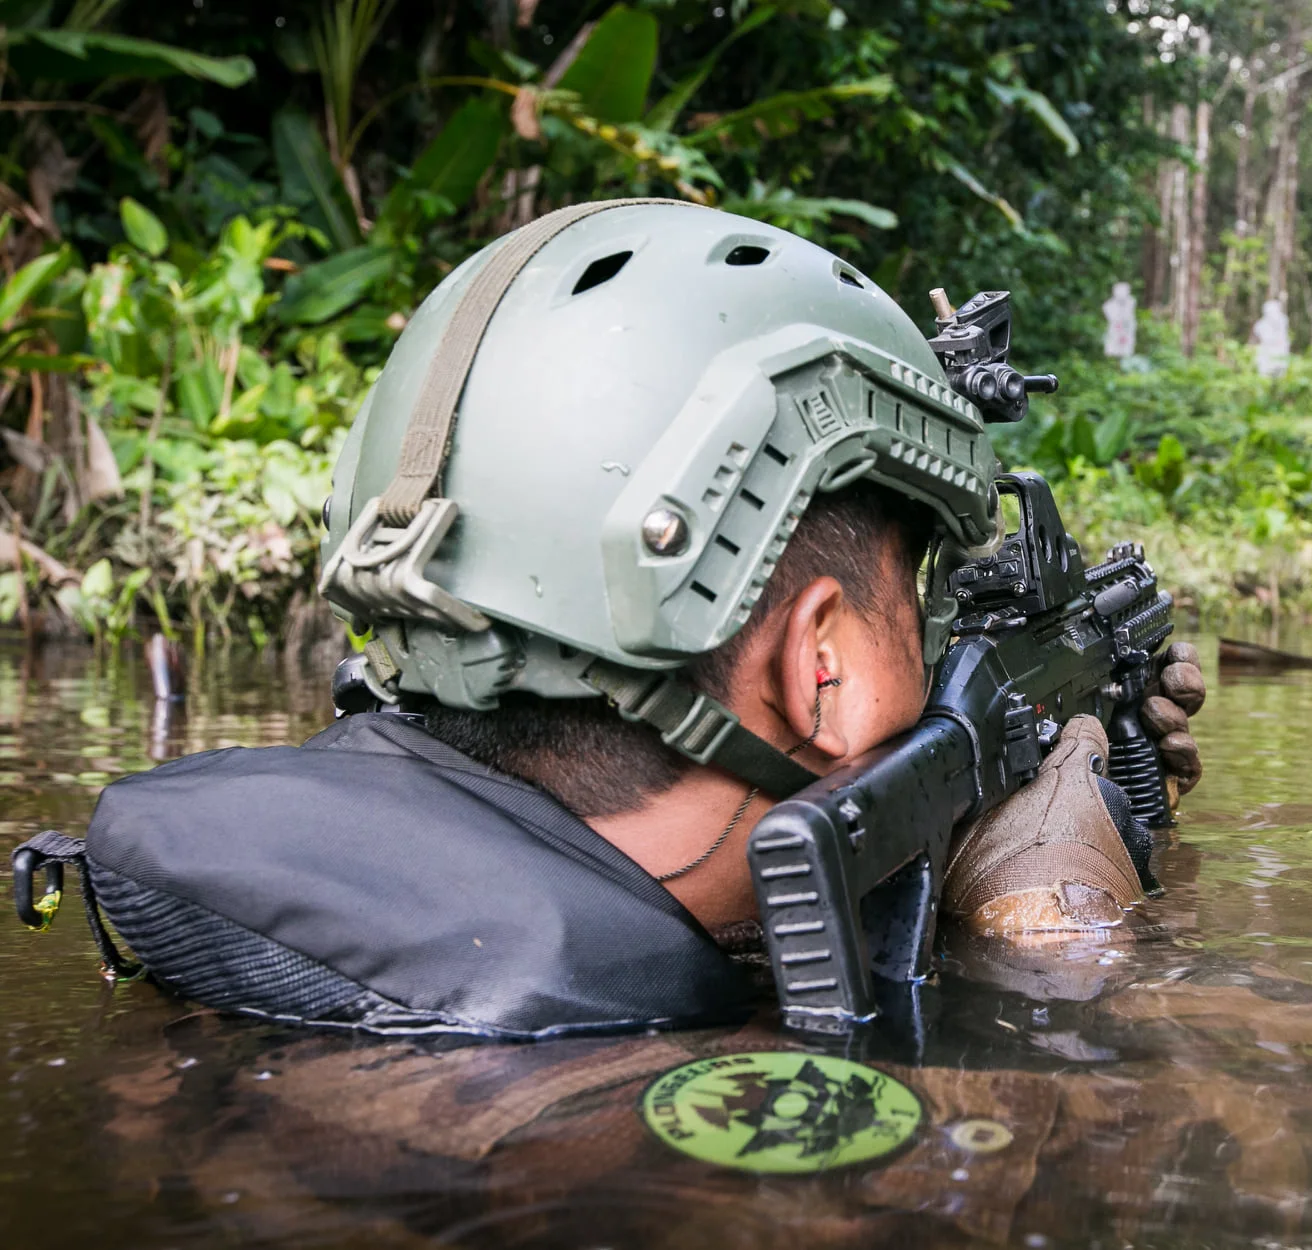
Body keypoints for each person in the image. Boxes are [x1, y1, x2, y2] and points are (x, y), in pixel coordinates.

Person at [26, 199, 1203, 1037]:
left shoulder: (238, 959)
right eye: (918, 600)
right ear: (823, 668)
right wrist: (1055, 922)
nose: (938, 644)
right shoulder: (650, 1134)